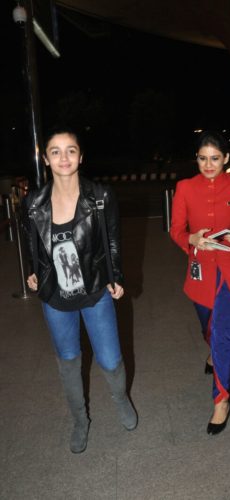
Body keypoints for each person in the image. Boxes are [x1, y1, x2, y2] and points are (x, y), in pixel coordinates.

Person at [22, 126, 137, 453]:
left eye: (70, 150)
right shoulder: (33, 203)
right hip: (55, 299)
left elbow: (112, 241)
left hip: (95, 291)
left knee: (111, 359)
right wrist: (34, 272)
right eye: (55, 151)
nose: (63, 157)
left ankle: (120, 399)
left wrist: (117, 277)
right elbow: (34, 247)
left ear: (80, 156)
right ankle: (79, 419)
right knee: (68, 361)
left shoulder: (100, 197)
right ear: (46, 159)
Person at [170, 131, 230, 434]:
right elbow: (176, 230)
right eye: (202, 158)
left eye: (214, 158)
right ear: (196, 159)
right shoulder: (184, 188)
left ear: (226, 159)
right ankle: (212, 350)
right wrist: (192, 239)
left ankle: (221, 400)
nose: (208, 164)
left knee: (224, 333)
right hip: (201, 272)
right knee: (208, 325)